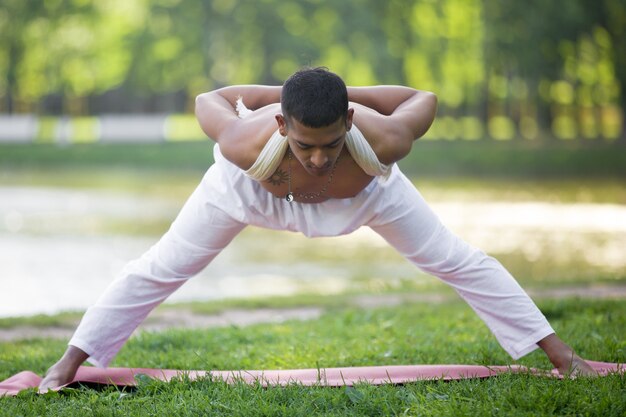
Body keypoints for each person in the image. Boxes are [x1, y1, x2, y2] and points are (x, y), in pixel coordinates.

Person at [40, 67, 594, 389]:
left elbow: (422, 99)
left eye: (331, 144)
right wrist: (264, 96)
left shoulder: (383, 138)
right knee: (161, 268)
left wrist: (359, 99)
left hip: (367, 197)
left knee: (458, 259)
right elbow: (207, 99)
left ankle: (563, 357)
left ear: (349, 123)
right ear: (282, 125)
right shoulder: (243, 142)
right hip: (250, 194)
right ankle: (67, 365)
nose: (318, 158)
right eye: (304, 144)